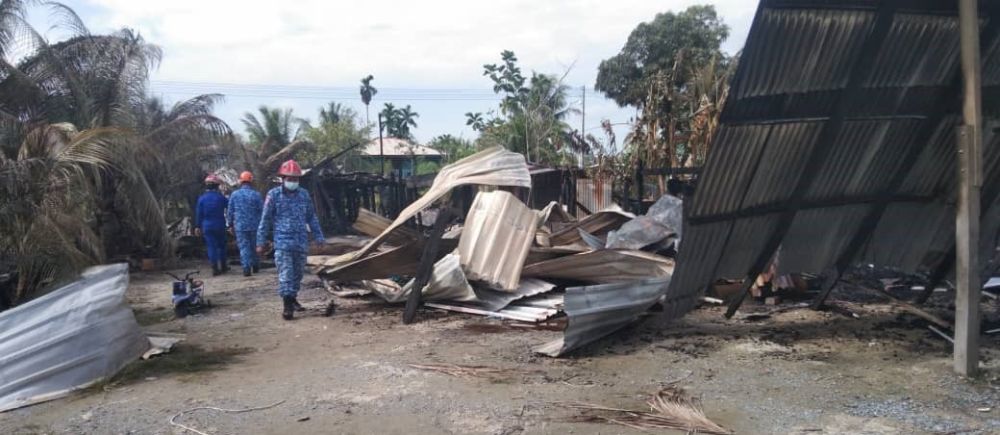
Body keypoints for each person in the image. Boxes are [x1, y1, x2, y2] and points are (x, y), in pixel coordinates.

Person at [256, 160, 325, 320]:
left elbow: (311, 217)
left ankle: (292, 298)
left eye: (295, 179)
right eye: (290, 178)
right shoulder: (273, 195)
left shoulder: (304, 195)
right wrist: (260, 242)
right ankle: (287, 306)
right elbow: (265, 219)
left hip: (301, 242)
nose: (293, 181)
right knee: (286, 274)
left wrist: (319, 236)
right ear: (283, 178)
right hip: (282, 242)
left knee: (298, 274)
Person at [227, 171, 264, 277]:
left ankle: (246, 268)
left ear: (241, 181)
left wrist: (230, 224)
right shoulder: (256, 195)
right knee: (254, 246)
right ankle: (256, 265)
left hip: (240, 226)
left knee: (244, 247)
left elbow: (230, 210)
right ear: (251, 181)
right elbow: (262, 211)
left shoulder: (235, 195)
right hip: (254, 226)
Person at [195, 174, 229, 276]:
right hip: (220, 224)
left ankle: (214, 267)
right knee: (222, 246)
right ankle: (223, 266)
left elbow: (199, 213)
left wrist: (197, 226)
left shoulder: (201, 199)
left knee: (211, 246)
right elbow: (229, 208)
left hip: (207, 225)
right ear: (217, 186)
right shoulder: (221, 198)